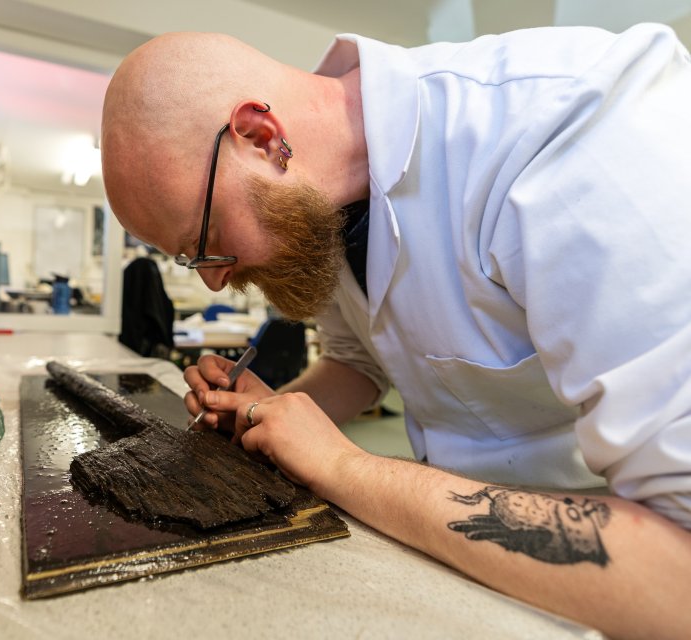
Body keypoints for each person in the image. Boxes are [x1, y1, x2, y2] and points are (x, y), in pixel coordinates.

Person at [100, 25, 691, 639]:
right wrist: (267, 414)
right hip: (455, 573)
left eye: (208, 243)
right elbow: (361, 364)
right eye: (192, 261)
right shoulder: (318, 208)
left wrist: (343, 467)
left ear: (259, 134)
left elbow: (677, 576)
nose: (217, 283)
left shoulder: (571, 127)